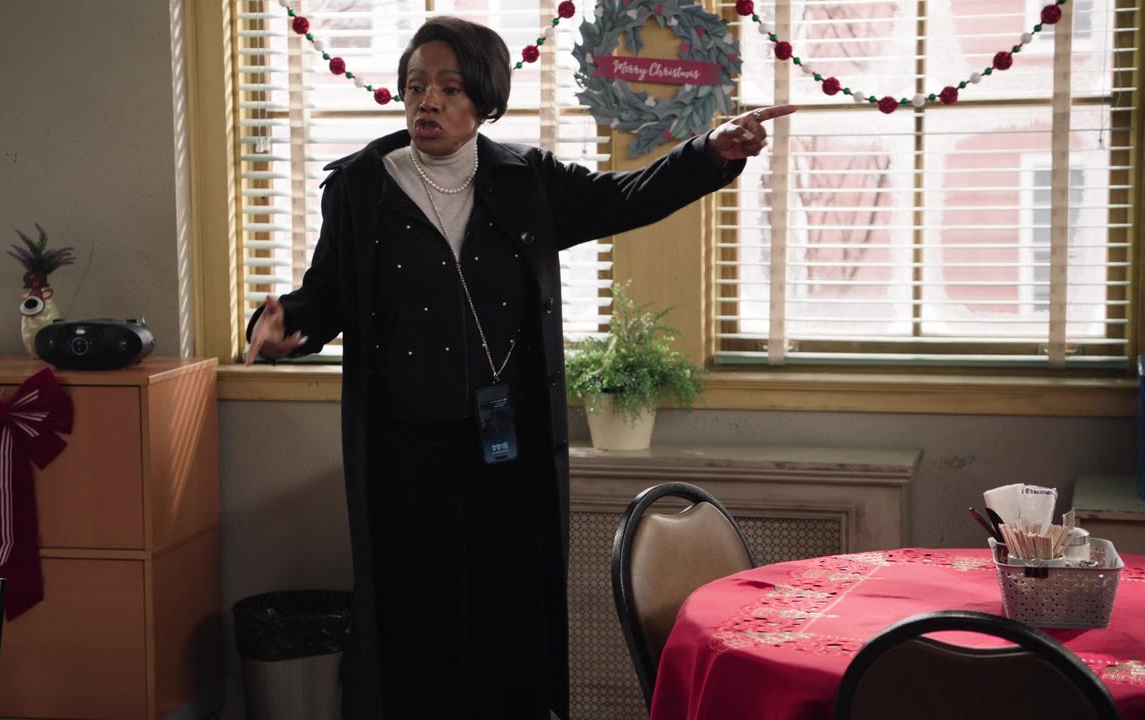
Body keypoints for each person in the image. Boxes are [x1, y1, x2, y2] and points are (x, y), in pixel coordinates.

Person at [245, 16, 795, 720]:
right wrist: (281, 327)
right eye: (415, 87)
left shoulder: (525, 180)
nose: (428, 101)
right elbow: (326, 296)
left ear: (484, 99)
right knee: (417, 620)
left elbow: (624, 197)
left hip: (507, 442)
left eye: (449, 88)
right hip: (404, 447)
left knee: (509, 615)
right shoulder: (361, 188)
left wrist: (709, 152)